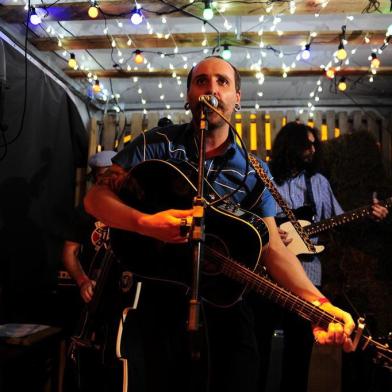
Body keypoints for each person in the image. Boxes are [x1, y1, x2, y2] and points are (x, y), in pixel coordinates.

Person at [84, 56, 356, 392]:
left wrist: (319, 304)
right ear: (188, 94)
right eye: (201, 81)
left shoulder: (254, 171)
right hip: (159, 297)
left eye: (222, 82)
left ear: (237, 98)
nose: (211, 89)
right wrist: (146, 223)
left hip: (226, 303)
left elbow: (272, 246)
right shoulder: (156, 144)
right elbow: (95, 200)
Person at [264, 121, 388, 392]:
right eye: (305, 144)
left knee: (298, 350)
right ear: (290, 146)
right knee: (261, 347)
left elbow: (340, 219)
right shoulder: (267, 179)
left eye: (314, 144)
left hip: (308, 276)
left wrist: (370, 215)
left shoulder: (318, 182)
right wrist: (270, 233)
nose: (312, 149)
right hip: (269, 275)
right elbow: (253, 222)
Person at [62, 150, 117, 303]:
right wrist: (83, 281)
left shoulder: (132, 207)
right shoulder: (84, 210)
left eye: (111, 174)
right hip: (94, 288)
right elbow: (69, 251)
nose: (107, 181)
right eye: (101, 176)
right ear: (94, 179)